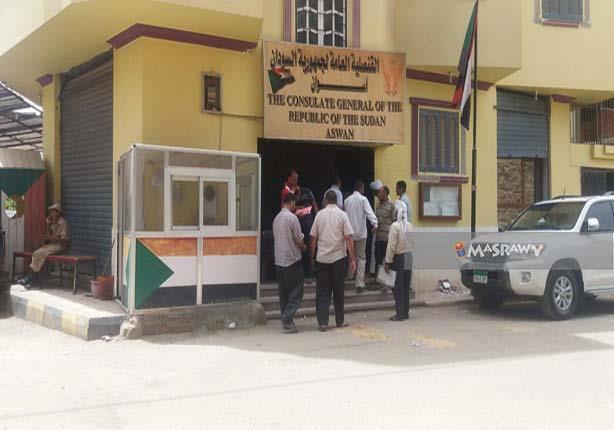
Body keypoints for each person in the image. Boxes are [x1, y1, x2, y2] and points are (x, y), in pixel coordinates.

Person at [310, 191, 356, 332]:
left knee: (322, 292)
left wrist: (312, 257)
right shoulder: (342, 215)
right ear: (337, 201)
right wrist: (353, 259)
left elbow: (313, 239)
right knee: (338, 291)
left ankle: (323, 322)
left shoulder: (319, 215)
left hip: (322, 259)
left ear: (325, 201)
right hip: (338, 259)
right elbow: (348, 239)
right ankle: (339, 321)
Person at [272, 193, 307, 333]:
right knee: (297, 291)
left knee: (284, 293)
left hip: (279, 262)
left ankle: (286, 320)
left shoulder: (276, 219)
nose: (295, 205)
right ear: (291, 202)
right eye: (294, 202)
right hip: (292, 261)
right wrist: (304, 248)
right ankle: (287, 318)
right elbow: (299, 239)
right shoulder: (292, 218)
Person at [20, 203, 70, 288]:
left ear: (58, 212)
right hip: (53, 246)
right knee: (36, 253)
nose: (51, 214)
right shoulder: (53, 222)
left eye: (53, 212)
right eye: (50, 212)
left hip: (61, 246)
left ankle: (32, 279)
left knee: (41, 254)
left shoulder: (63, 222)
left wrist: (52, 238)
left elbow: (65, 240)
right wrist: (48, 225)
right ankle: (33, 279)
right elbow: (48, 237)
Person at [344, 180, 378, 293]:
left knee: (350, 255)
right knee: (361, 258)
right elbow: (369, 213)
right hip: (361, 234)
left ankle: (350, 275)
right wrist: (375, 223)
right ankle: (359, 283)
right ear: (361, 188)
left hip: (349, 234)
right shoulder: (363, 199)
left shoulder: (347, 201)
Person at [385, 201, 412, 321]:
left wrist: (387, 261)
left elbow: (391, 246)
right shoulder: (409, 225)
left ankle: (399, 313)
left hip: (399, 258)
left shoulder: (394, 226)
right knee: (406, 285)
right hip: (409, 256)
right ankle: (405, 312)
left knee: (397, 286)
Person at [374, 185, 396, 288]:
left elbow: (394, 223)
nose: (378, 195)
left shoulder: (391, 207)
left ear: (385, 194)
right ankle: (378, 282)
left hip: (387, 238)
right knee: (378, 260)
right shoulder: (378, 206)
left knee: (387, 261)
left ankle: (387, 285)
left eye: (380, 193)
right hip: (378, 237)